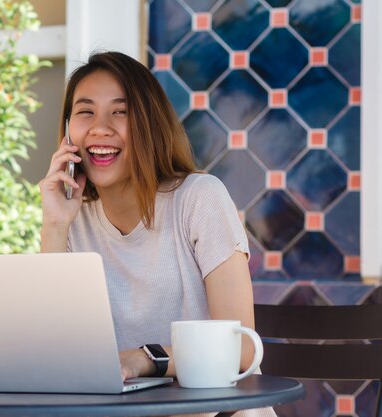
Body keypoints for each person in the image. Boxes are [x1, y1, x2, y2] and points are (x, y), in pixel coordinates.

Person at [39, 51, 275, 417]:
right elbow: (55, 354)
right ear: (69, 130)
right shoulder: (73, 220)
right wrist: (54, 226)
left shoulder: (199, 198)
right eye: (85, 112)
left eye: (120, 111)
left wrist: (144, 359)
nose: (100, 128)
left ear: (149, 124)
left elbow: (240, 350)